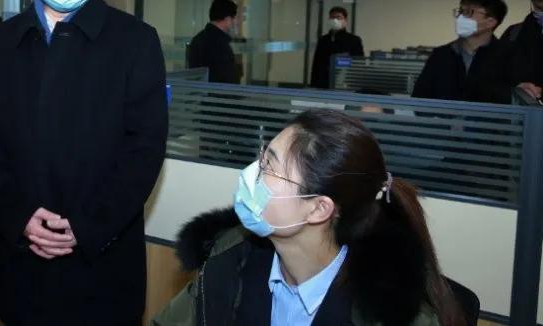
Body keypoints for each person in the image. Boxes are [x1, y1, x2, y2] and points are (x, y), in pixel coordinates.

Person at [0, 0, 167, 325]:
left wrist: (88, 226)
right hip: (25, 260)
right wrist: (18, 215)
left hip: (103, 262)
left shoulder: (136, 42)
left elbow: (144, 150)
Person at [153, 109, 467, 326]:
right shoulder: (229, 257)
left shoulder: (386, 312)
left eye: (269, 167)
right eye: (262, 157)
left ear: (318, 209)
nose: (252, 173)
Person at [412, 0, 510, 104]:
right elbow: (419, 97)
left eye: (468, 12)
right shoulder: (441, 54)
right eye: (460, 11)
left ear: (490, 22)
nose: (460, 18)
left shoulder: (508, 56)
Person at [502, 0, 543, 103]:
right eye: (539, 7)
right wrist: (515, 89)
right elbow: (492, 79)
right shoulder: (514, 35)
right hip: (523, 114)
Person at [187, 0, 242, 83]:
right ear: (227, 18)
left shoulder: (198, 38)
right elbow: (227, 77)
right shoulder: (220, 44)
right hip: (218, 90)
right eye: (234, 18)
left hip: (199, 90)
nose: (235, 22)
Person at [310, 6, 364, 89]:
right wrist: (314, 84)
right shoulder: (323, 39)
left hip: (344, 83)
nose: (335, 20)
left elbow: (358, 63)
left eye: (338, 17)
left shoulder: (354, 40)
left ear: (345, 20)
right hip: (323, 83)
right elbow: (316, 63)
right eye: (332, 17)